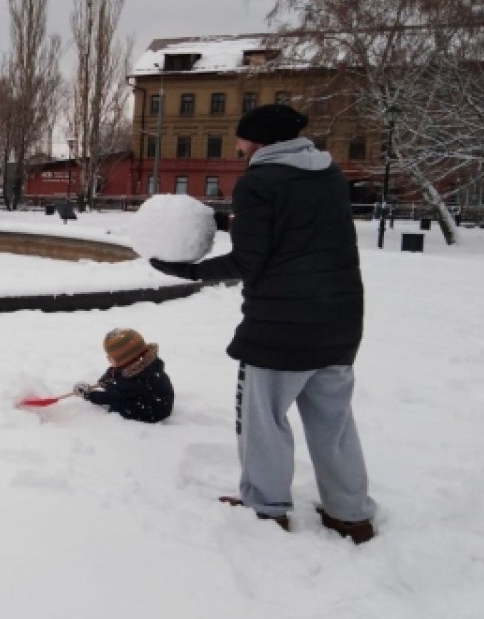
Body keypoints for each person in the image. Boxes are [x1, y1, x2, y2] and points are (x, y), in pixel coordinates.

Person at [149, 103, 376, 542]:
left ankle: (267, 507)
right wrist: (227, 220)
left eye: (240, 140)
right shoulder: (327, 174)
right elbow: (295, 228)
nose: (236, 147)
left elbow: (248, 260)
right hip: (339, 320)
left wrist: (187, 271)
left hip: (279, 328)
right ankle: (350, 513)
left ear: (258, 141)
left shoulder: (259, 181)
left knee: (264, 421)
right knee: (335, 423)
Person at [72, 327, 174, 424]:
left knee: (116, 406)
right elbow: (115, 372)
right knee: (117, 383)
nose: (109, 360)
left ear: (125, 358)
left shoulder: (134, 381)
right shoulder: (141, 362)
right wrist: (104, 381)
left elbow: (109, 397)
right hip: (151, 396)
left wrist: (87, 395)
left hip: (154, 410)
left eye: (111, 358)